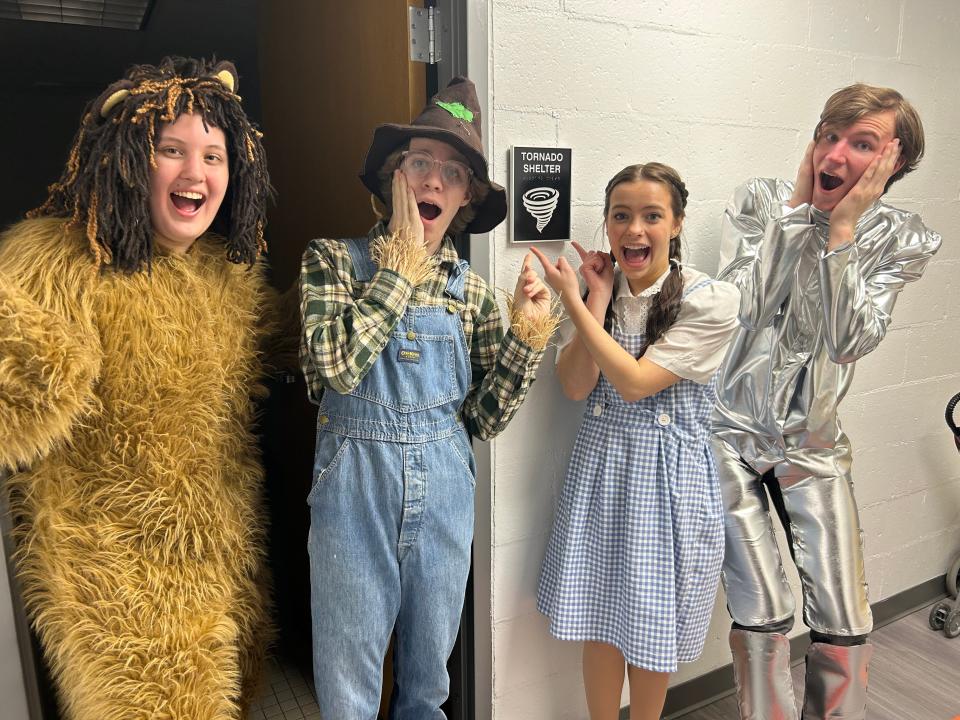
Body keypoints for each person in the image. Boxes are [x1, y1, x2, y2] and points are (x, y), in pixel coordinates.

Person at [0, 57, 278, 719]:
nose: (195, 173)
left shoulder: (226, 272)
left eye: (214, 155)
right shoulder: (58, 265)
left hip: (223, 558)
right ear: (123, 160)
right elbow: (20, 373)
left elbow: (277, 340)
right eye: (171, 150)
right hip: (119, 584)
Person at [299, 76, 560, 719]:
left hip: (445, 489)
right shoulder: (333, 262)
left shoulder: (472, 293)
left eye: (452, 172)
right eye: (420, 163)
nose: (433, 181)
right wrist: (398, 272)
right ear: (395, 175)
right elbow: (335, 366)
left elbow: (485, 418)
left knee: (427, 686)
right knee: (349, 687)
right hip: (353, 490)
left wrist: (528, 334)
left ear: (467, 197)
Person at [711, 83, 942, 720]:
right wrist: (797, 216)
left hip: (813, 446)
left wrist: (840, 235)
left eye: (860, 143)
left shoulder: (902, 240)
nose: (832, 155)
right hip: (727, 436)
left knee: (845, 617)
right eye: (828, 135)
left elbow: (849, 341)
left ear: (892, 164)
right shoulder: (761, 204)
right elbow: (741, 310)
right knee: (761, 614)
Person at [533, 163, 741, 720]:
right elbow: (576, 387)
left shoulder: (710, 300)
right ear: (606, 223)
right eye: (621, 216)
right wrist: (595, 301)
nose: (634, 230)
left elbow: (633, 384)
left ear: (676, 224)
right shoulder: (603, 292)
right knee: (598, 615)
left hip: (668, 482)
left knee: (653, 624)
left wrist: (573, 300)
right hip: (600, 469)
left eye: (652, 216)